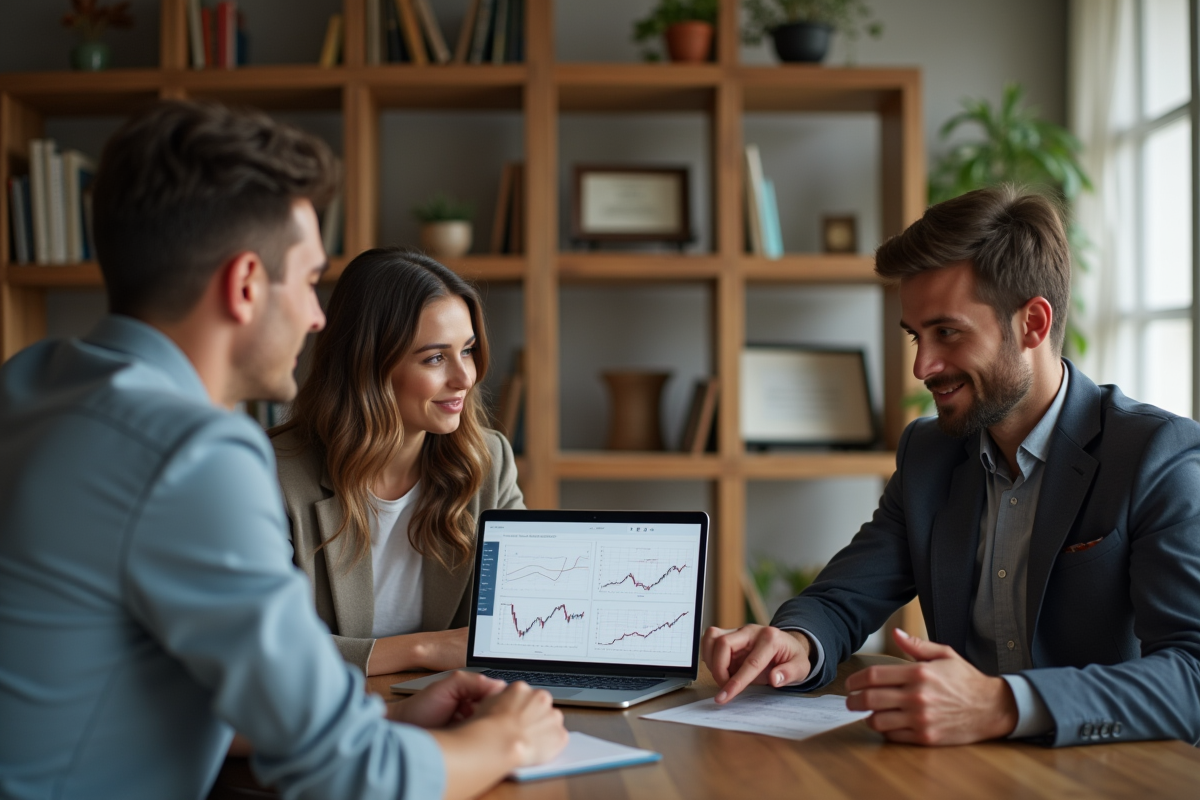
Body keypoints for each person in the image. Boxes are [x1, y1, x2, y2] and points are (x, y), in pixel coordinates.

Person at [0, 100, 565, 800]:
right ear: (243, 286)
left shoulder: (30, 385)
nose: (318, 316)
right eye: (304, 280)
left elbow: (144, 685)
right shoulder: (195, 453)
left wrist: (370, 720)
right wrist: (504, 738)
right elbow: (347, 777)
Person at [702, 185, 1200, 747]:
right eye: (916, 336)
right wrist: (798, 640)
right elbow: (842, 599)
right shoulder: (929, 453)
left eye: (947, 332)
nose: (922, 366)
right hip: (958, 773)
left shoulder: (1158, 455)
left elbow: (1193, 676)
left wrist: (1005, 704)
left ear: (1033, 324)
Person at [271, 248, 522, 676]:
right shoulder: (272, 474)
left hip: (456, 711)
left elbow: (520, 617)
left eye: (468, 350)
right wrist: (425, 650)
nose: (466, 377)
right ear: (366, 366)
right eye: (435, 358)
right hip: (332, 722)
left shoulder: (489, 459)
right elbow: (267, 646)